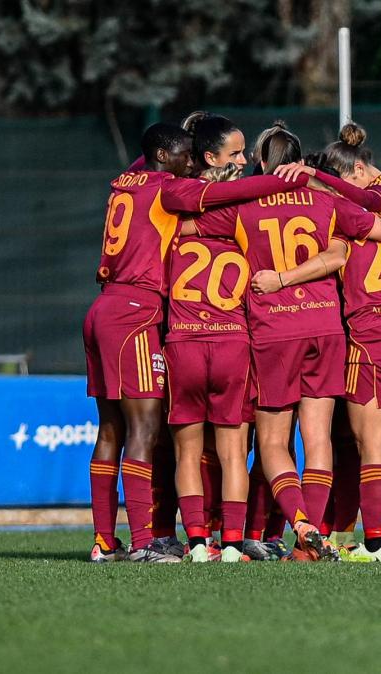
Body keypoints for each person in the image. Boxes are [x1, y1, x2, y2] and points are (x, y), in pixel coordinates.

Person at [181, 121, 381, 561]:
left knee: (272, 444)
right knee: (318, 439)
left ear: (264, 163)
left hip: (274, 332)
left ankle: (302, 526)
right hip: (326, 329)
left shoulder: (246, 205)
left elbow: (187, 229)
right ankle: (308, 545)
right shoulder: (324, 201)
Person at [84, 123, 308, 563]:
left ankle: (105, 540)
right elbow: (228, 195)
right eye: (186, 154)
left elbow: (145, 157)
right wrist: (288, 177)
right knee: (146, 431)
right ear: (165, 157)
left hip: (103, 309)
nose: (193, 161)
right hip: (137, 310)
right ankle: (146, 543)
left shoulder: (124, 182)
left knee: (111, 431)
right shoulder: (170, 191)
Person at [255, 123, 381, 562]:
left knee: (366, 445)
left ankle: (371, 544)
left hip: (372, 333)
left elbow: (336, 255)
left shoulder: (346, 215)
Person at [165, 162, 255, 563]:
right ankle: (234, 543)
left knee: (187, 453)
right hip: (231, 343)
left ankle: (199, 542)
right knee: (233, 451)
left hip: (184, 340)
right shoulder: (245, 235)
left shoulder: (174, 233)